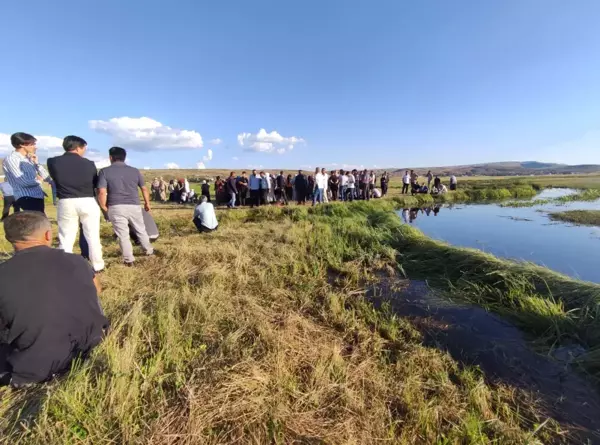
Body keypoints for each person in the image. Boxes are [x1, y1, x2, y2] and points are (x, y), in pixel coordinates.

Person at [0, 212, 108, 387]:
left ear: (8, 238)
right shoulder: (77, 261)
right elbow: (97, 289)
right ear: (48, 235)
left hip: (33, 370)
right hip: (91, 348)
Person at [47, 135, 105, 272]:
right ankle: (98, 265)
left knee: (66, 236)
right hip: (88, 200)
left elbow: (55, 178)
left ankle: (64, 265)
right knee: (93, 236)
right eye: (84, 148)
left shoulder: (52, 161)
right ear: (78, 147)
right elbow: (95, 183)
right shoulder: (89, 164)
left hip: (66, 200)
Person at [97, 147, 154, 266]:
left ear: (110, 157)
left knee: (123, 234)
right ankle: (149, 252)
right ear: (124, 157)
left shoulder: (104, 171)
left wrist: (103, 207)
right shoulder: (135, 171)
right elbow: (144, 188)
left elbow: (102, 191)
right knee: (141, 230)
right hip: (134, 205)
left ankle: (129, 260)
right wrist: (147, 203)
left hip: (116, 205)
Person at [2, 132, 52, 213]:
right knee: (36, 224)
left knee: (40, 223)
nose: (35, 147)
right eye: (32, 144)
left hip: (37, 196)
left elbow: (46, 177)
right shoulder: (12, 159)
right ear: (22, 145)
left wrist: (36, 163)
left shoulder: (29, 158)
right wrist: (39, 181)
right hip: (26, 197)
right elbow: (23, 182)